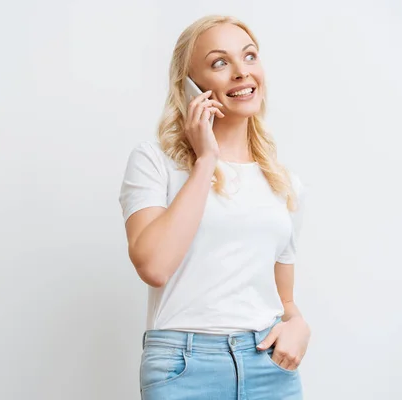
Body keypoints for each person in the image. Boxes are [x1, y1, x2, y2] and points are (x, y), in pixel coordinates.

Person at [118, 14, 311, 400]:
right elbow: (154, 266)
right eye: (220, 63)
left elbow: (284, 300)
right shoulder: (155, 162)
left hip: (268, 366)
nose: (242, 72)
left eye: (250, 56)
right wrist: (206, 160)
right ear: (191, 88)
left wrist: (299, 325)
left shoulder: (284, 184)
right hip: (184, 367)